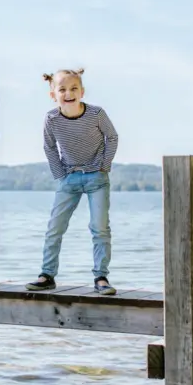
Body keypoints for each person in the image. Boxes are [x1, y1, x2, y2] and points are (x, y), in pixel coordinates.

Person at [26, 68, 119, 294]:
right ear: (53, 95)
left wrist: (104, 166)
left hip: (96, 177)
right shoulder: (51, 118)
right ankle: (47, 275)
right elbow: (49, 147)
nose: (69, 93)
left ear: (82, 92)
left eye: (74, 89)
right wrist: (60, 175)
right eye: (63, 89)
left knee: (99, 228)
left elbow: (112, 137)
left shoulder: (96, 114)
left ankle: (101, 278)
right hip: (68, 178)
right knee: (55, 227)